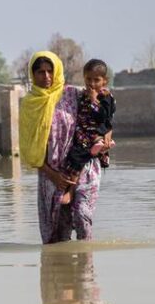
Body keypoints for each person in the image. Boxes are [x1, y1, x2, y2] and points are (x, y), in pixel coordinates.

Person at [19, 51, 104, 243]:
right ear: (33, 74)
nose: (46, 77)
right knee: (56, 234)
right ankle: (59, 270)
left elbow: (97, 118)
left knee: (83, 216)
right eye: (41, 72)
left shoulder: (73, 94)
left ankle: (86, 266)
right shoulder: (29, 104)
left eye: (50, 71)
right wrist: (53, 175)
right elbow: (29, 148)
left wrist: (105, 138)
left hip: (82, 167)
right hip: (51, 173)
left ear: (57, 71)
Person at [62, 59, 116, 205]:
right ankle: (94, 149)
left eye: (96, 80)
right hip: (82, 133)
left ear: (105, 81)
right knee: (72, 156)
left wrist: (94, 100)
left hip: (95, 133)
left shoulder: (106, 97)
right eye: (88, 79)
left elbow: (104, 116)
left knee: (76, 158)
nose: (92, 84)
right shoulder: (81, 95)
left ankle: (70, 190)